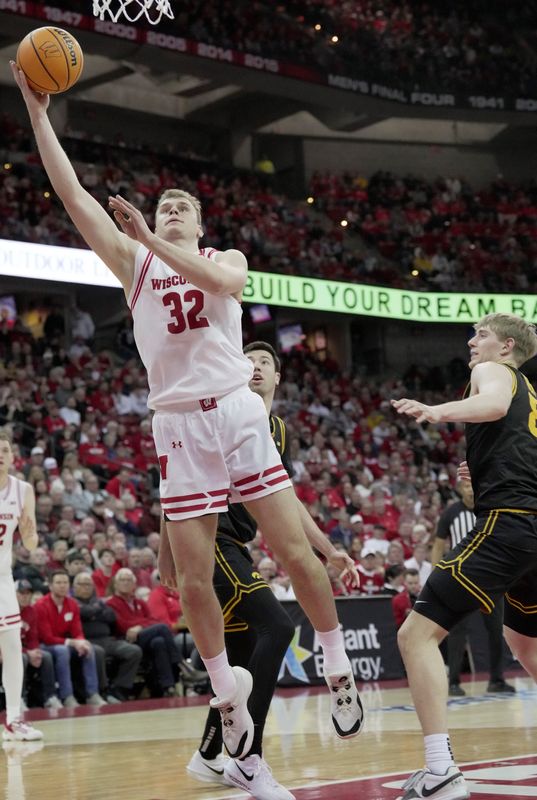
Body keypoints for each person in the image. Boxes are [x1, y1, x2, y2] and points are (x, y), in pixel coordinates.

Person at [12, 65, 363, 760]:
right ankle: (226, 698)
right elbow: (71, 193)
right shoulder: (133, 263)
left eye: (182, 207)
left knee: (294, 552)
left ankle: (336, 662)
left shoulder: (221, 256)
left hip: (235, 411)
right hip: (177, 424)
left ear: (198, 224)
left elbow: (221, 280)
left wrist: (153, 237)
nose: (171, 209)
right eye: (164, 205)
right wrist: (38, 111)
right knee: (195, 579)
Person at [186, 342, 359, 799]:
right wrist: (170, 552)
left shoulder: (278, 430)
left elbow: (286, 500)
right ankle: (248, 762)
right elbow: (179, 479)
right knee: (278, 627)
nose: (256, 366)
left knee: (243, 657)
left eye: (265, 362)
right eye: (248, 360)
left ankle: (208, 753)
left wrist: (328, 550)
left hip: (237, 545)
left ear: (278, 377)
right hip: (211, 541)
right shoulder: (219, 414)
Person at [392, 313, 537, 800]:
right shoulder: (531, 394)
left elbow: (491, 404)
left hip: (509, 525)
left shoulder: (495, 372)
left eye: (482, 334)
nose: (472, 342)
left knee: (415, 636)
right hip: (529, 527)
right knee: (526, 646)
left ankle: (440, 770)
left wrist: (435, 410)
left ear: (507, 346)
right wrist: (485, 479)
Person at [432, 481, 515, 697]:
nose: (470, 490)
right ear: (460, 489)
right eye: (466, 487)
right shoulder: (451, 513)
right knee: (457, 632)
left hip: (491, 578)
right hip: (460, 578)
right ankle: (453, 682)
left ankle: (497, 680)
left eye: (472, 486)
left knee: (496, 630)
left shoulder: (490, 508)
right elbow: (438, 545)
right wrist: (434, 575)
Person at [0, 430, 43, 741]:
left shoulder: (23, 490)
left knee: (14, 647)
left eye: (4, 450)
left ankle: (13, 720)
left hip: (2, 578)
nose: (0, 455)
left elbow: (31, 542)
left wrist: (29, 535)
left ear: (12, 456)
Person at [35, 571, 107, 708]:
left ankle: (92, 694)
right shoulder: (41, 605)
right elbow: (47, 638)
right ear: (50, 586)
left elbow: (77, 631)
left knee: (88, 647)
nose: (62, 586)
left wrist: (81, 642)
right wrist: (73, 642)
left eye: (65, 582)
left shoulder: (72, 604)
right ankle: (67, 696)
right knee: (62, 651)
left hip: (63, 642)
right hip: (44, 645)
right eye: (58, 583)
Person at [106, 568, 182, 697]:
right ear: (115, 584)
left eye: (129, 580)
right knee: (162, 628)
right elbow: (123, 626)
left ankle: (168, 686)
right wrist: (142, 624)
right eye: (122, 580)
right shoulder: (111, 603)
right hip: (125, 639)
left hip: (141, 637)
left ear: (134, 584)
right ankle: (180, 665)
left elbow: (153, 620)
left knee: (159, 642)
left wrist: (139, 626)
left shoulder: (139, 602)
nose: (126, 583)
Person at [72, 572, 143, 702]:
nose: (85, 587)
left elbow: (111, 616)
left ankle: (119, 688)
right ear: (74, 587)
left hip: (107, 639)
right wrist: (95, 612)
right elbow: (84, 612)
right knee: (98, 652)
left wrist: (92, 614)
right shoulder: (72, 602)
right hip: (87, 641)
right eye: (81, 584)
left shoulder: (98, 601)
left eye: (88, 584)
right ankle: (102, 690)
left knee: (133, 651)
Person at [15, 579, 61, 710]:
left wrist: (35, 651)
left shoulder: (31, 611)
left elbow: (33, 637)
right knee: (21, 658)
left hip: (23, 648)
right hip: (7, 649)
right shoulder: (6, 611)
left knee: (45, 656)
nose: (25, 596)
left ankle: (50, 697)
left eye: (28, 593)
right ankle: (18, 699)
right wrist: (27, 652)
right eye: (21, 593)